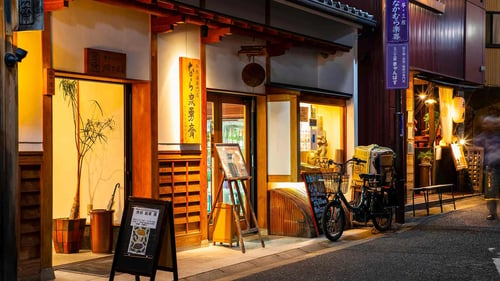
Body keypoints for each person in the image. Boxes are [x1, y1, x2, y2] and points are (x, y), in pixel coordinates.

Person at [475, 116, 500, 220]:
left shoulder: (498, 136)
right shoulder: (482, 137)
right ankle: (492, 213)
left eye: (488, 123)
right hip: (491, 167)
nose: (485, 126)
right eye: (484, 124)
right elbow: (477, 146)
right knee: (491, 191)